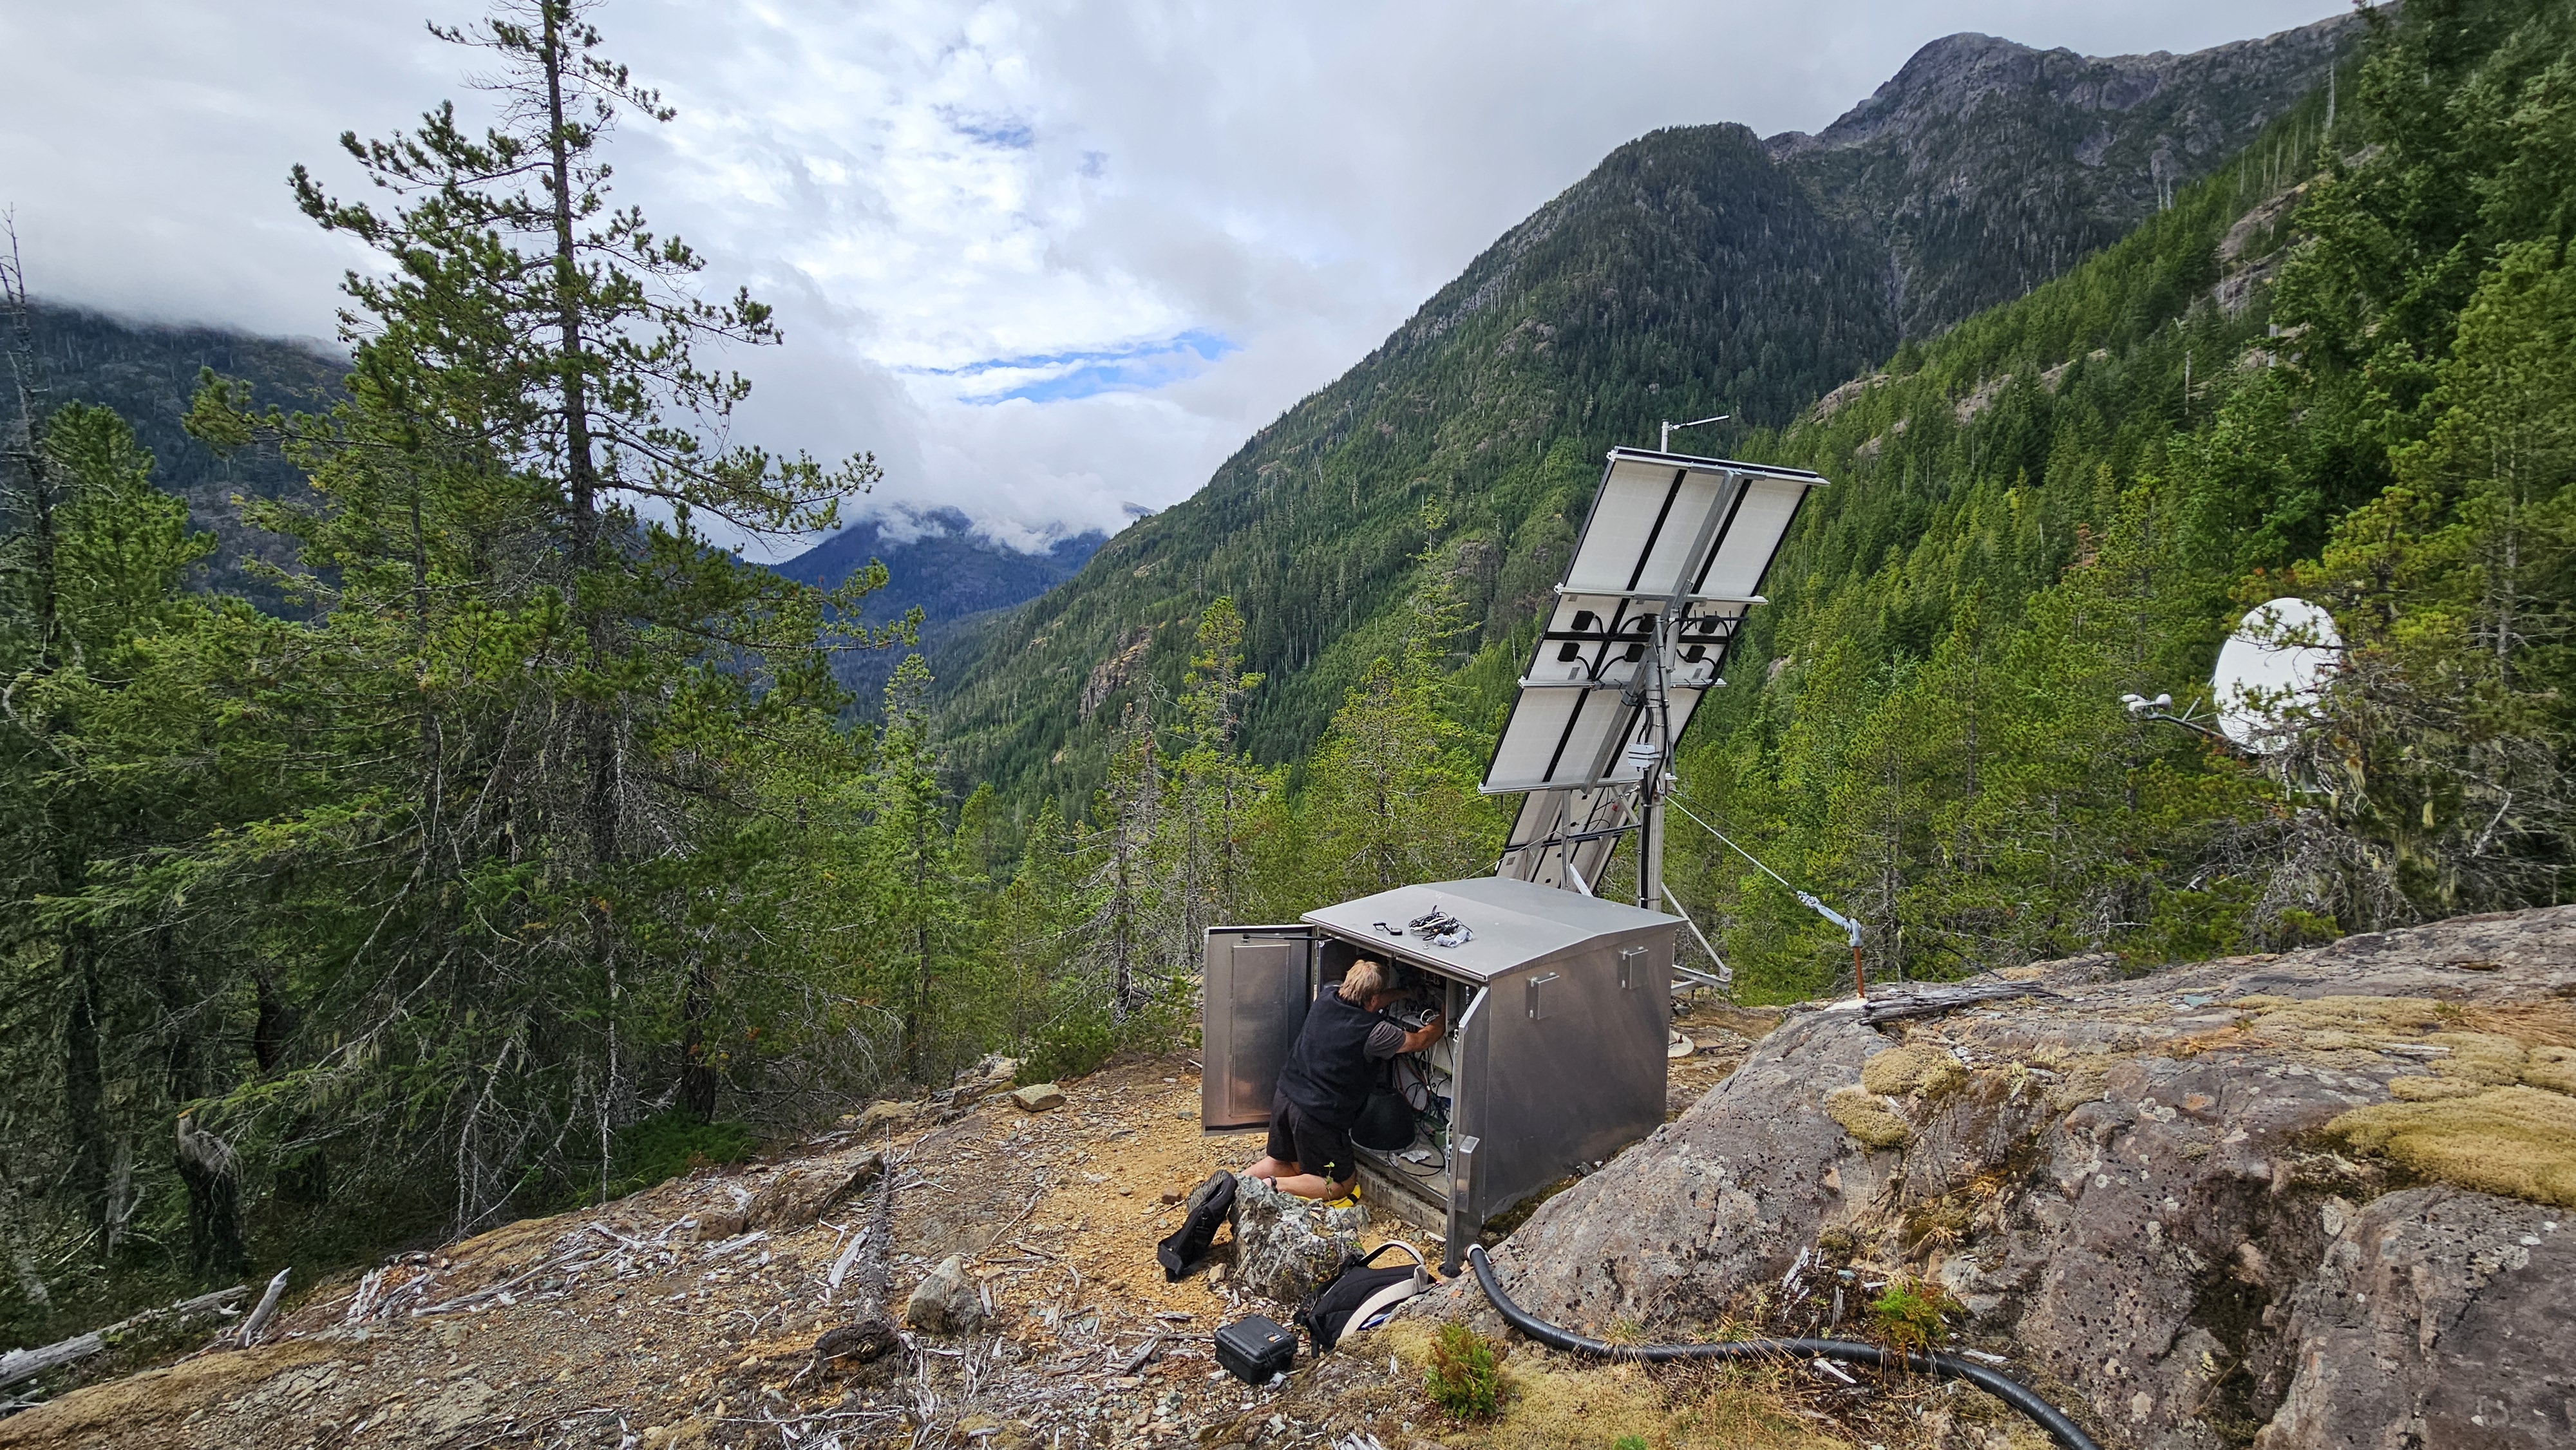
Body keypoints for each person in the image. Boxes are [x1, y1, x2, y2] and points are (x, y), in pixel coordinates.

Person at [1247, 957, 1443, 1200]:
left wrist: (1404, 993)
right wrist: (1447, 1015)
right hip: (1317, 1115)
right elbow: (1421, 1041)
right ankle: (1274, 1187)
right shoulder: (1377, 1033)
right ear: (1373, 1000)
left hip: (1286, 1097)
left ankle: (1232, 1186)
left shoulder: (1327, 996)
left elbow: (1366, 999)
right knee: (1340, 1183)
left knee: (1286, 1163)